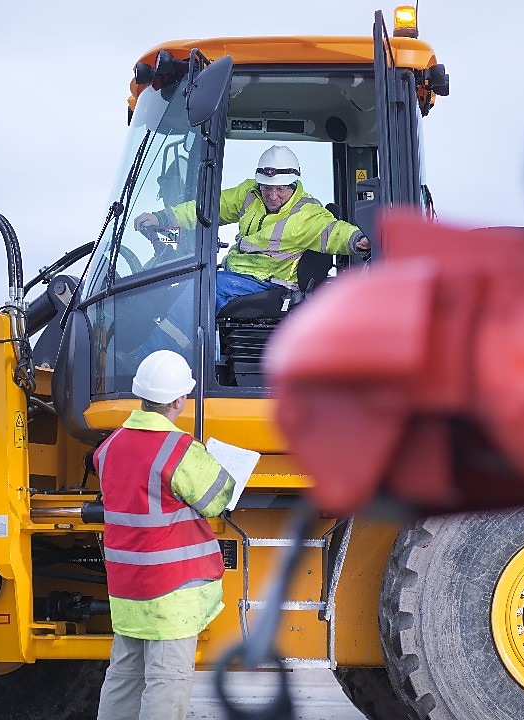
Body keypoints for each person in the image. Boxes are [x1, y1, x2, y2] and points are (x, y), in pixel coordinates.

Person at [94, 350, 235, 720]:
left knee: (123, 676)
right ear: (178, 399)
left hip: (127, 588)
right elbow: (217, 498)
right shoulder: (178, 449)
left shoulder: (109, 448)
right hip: (170, 592)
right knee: (166, 680)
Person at [134, 144, 370, 313]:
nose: (272, 196)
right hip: (236, 275)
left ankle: (163, 357)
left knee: (200, 293)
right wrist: (163, 217)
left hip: (270, 282)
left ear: (293, 184)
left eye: (280, 189)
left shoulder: (307, 214)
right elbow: (208, 208)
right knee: (187, 287)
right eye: (267, 188)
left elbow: (334, 231)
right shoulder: (249, 193)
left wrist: (357, 239)